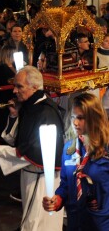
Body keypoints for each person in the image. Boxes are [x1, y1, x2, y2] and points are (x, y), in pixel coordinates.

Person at [0, 66, 65, 231]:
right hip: (29, 175)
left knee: (36, 222)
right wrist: (13, 115)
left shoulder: (45, 112)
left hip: (42, 179)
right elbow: (16, 140)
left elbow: (32, 150)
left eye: (19, 86)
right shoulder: (30, 106)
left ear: (34, 87)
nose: (14, 90)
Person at [42, 93, 109, 231]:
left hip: (101, 224)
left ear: (94, 118)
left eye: (80, 118)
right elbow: (66, 184)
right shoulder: (69, 149)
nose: (75, 123)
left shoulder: (106, 149)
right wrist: (58, 199)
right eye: (73, 117)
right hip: (76, 223)